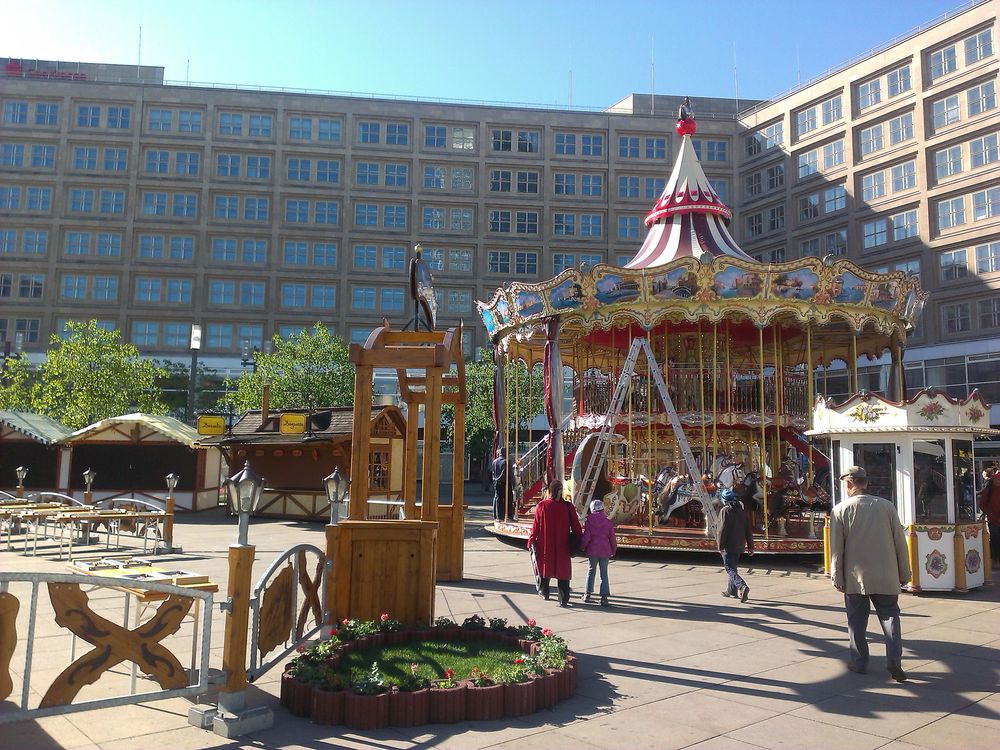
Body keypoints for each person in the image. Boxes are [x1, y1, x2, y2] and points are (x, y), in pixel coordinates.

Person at [830, 465, 911, 682]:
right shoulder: (887, 507)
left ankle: (859, 662)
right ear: (865, 483)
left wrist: (836, 577)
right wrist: (905, 573)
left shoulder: (840, 510)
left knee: (856, 622)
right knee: (890, 617)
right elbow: (900, 543)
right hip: (887, 576)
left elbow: (837, 550)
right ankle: (894, 662)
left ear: (848, 484)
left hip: (856, 579)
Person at [527, 479, 582, 607]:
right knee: (563, 571)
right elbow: (576, 527)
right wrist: (579, 540)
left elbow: (535, 527)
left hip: (545, 543)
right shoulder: (568, 506)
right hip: (563, 544)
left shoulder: (542, 505)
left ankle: (544, 591)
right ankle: (563, 598)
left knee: (545, 567)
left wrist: (531, 541)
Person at [716, 487, 754, 602]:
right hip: (740, 544)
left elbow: (722, 530)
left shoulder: (725, 511)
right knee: (733, 567)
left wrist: (720, 545)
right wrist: (751, 546)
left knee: (729, 568)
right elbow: (748, 530)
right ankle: (731, 591)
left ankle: (741, 586)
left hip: (728, 545)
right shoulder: (742, 511)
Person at [580, 498, 617, 606]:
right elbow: (612, 539)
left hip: (592, 551)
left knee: (591, 571)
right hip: (605, 550)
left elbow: (586, 537)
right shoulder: (608, 522)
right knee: (603, 573)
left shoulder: (589, 522)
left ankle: (587, 594)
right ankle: (604, 597)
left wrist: (583, 547)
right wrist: (614, 549)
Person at [977, 467, 1000, 569]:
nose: (996, 481)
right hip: (993, 520)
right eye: (995, 479)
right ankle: (995, 560)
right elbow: (982, 504)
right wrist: (990, 514)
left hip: (994, 519)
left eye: (998, 479)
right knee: (995, 540)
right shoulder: (989, 490)